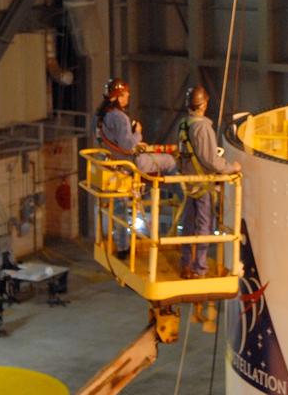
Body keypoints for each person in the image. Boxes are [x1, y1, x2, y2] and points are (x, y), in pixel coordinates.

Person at [96, 78, 176, 255]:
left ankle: (123, 247)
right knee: (170, 161)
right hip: (131, 163)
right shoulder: (121, 117)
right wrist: (138, 133)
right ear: (118, 96)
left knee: (120, 207)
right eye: (125, 95)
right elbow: (127, 146)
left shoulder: (102, 116)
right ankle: (183, 195)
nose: (127, 98)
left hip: (115, 166)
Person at [177, 85, 240, 279]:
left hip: (188, 182)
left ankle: (186, 263)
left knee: (188, 222)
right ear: (203, 104)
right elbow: (211, 160)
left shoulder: (184, 124)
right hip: (202, 183)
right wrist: (232, 167)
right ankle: (199, 268)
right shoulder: (202, 127)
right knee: (204, 224)